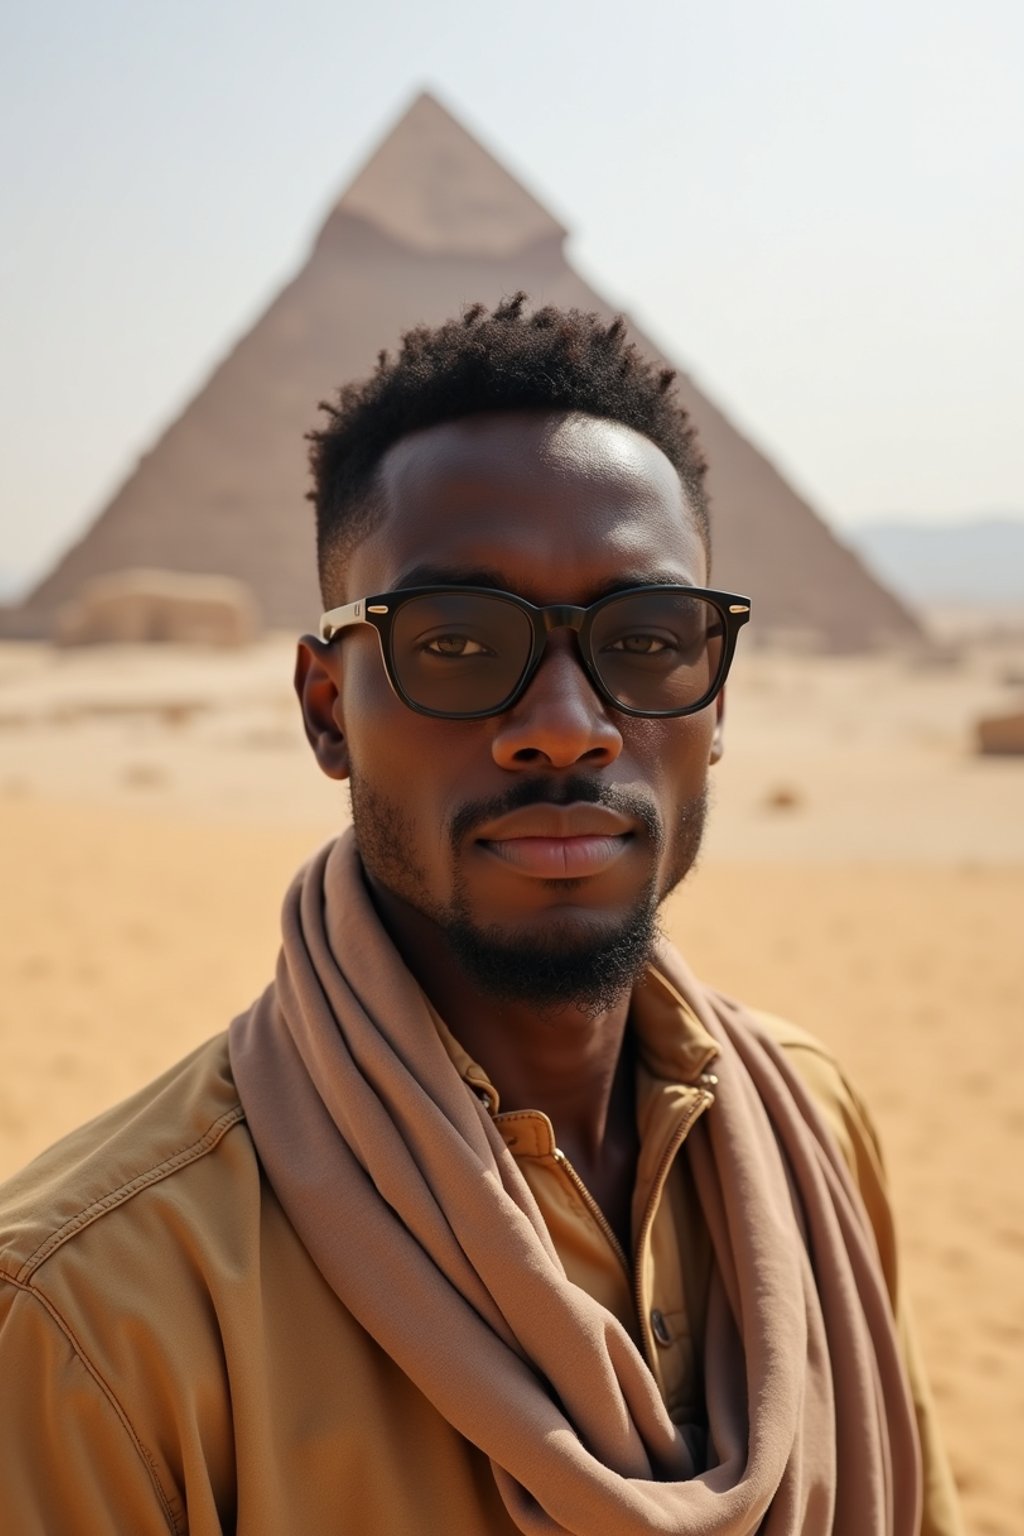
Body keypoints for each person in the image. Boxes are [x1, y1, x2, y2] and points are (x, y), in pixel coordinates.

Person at [0, 295, 962, 1535]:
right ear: (325, 708)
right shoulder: (91, 1316)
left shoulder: (813, 1130)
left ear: (718, 709)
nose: (567, 722)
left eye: (648, 637)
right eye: (456, 641)